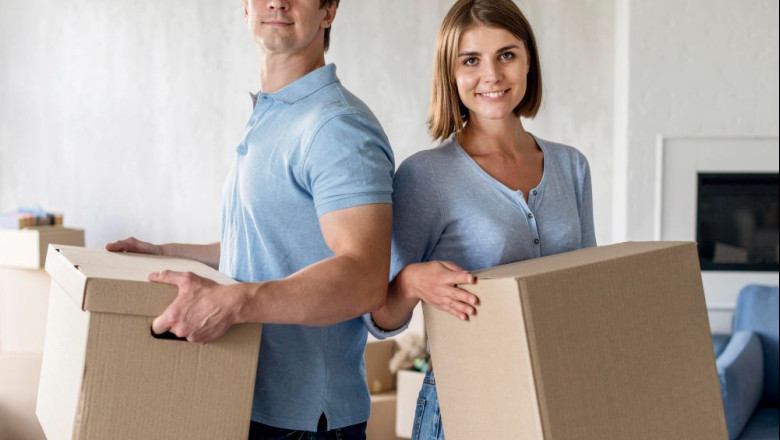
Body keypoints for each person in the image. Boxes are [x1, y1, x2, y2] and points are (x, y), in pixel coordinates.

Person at [107, 1, 396, 439]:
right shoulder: (274, 114)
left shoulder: (336, 126)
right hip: (248, 395)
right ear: (245, 8)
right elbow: (271, 245)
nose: (278, 2)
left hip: (304, 420)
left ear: (328, 10)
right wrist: (169, 254)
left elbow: (364, 276)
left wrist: (235, 302)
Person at [366, 0, 597, 438]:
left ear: (528, 60)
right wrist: (413, 280)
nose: (491, 75)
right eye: (470, 60)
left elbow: (585, 289)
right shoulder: (425, 176)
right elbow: (380, 317)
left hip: (560, 388)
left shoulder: (571, 166)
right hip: (464, 399)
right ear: (450, 74)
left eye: (506, 55)